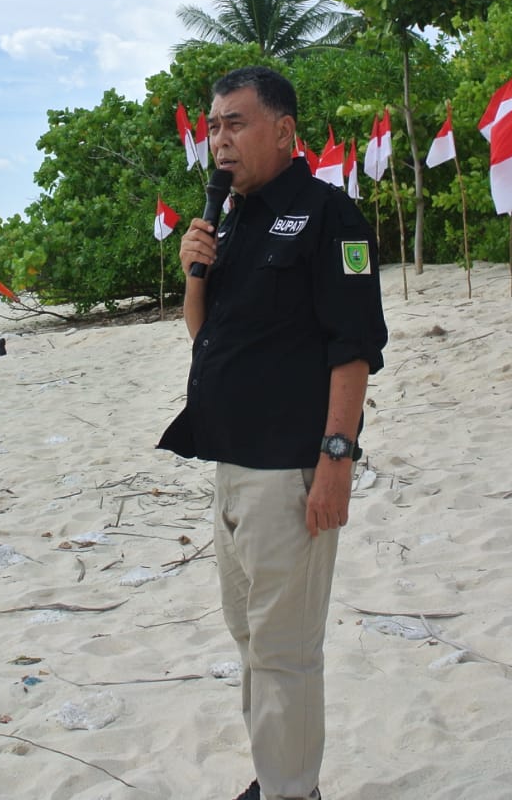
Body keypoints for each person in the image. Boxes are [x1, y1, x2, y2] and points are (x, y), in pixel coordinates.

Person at [159, 67, 387, 800]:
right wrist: (197, 268)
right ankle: (279, 778)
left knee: (286, 648)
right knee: (250, 637)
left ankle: (294, 792)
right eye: (214, 125)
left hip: (290, 469)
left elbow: (352, 348)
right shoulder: (232, 217)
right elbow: (206, 334)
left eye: (237, 123)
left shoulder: (329, 217)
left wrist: (336, 459)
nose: (220, 140)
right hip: (231, 463)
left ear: (284, 131)